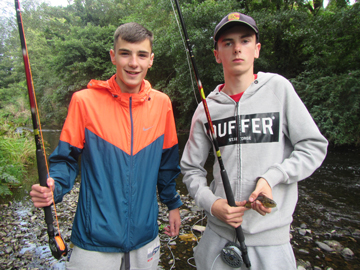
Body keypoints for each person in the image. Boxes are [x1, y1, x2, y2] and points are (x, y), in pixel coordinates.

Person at [180, 12, 328, 270]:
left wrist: (272, 177)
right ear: (217, 54)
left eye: (245, 40)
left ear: (257, 49)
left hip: (273, 245)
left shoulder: (279, 89)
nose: (237, 48)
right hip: (217, 239)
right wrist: (212, 204)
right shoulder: (206, 109)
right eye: (227, 42)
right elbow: (191, 169)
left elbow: (313, 146)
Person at [30, 22, 183, 270]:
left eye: (141, 55)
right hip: (93, 240)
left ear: (151, 60)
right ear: (113, 56)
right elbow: (65, 160)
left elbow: (167, 165)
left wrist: (173, 204)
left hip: (146, 237)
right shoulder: (84, 101)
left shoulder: (163, 104)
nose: (133, 63)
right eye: (125, 53)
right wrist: (54, 187)